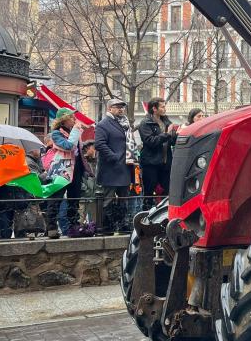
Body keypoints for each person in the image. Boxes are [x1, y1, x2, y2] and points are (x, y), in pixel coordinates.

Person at [95, 99, 136, 234]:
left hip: (125, 167)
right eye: (117, 107)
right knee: (108, 199)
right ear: (109, 108)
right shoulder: (103, 124)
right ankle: (106, 227)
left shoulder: (125, 124)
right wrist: (114, 157)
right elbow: (100, 144)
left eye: (122, 107)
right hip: (111, 169)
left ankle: (123, 225)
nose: (120, 109)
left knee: (124, 199)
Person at [45, 108, 87, 238]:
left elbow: (78, 152)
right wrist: (76, 130)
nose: (74, 120)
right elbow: (68, 146)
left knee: (74, 199)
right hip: (62, 170)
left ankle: (74, 226)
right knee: (56, 198)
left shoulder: (74, 132)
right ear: (63, 120)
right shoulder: (56, 134)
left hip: (76, 170)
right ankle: (51, 228)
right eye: (71, 117)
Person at [139, 97, 178, 209]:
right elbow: (150, 141)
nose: (165, 109)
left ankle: (166, 216)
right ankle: (146, 217)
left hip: (166, 163)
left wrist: (175, 135)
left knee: (167, 192)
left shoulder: (166, 121)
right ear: (154, 108)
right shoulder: (145, 123)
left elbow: (171, 141)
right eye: (162, 106)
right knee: (149, 193)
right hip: (151, 164)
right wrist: (167, 134)